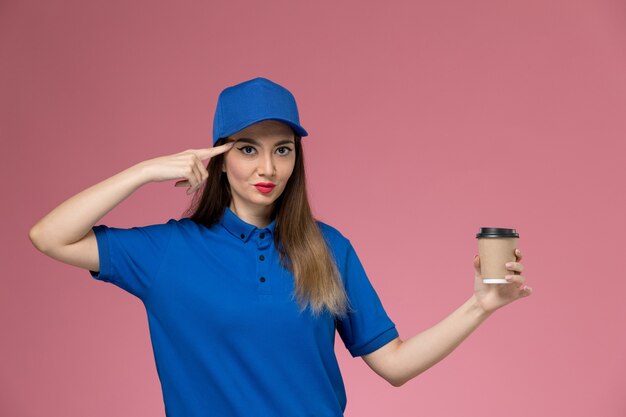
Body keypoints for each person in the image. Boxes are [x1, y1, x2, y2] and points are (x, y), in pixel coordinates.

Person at [28, 76, 532, 417]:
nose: (267, 168)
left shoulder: (327, 248)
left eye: (282, 150)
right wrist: (145, 171)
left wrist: (481, 305)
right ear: (219, 158)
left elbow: (394, 365)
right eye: (248, 149)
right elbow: (49, 236)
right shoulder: (167, 252)